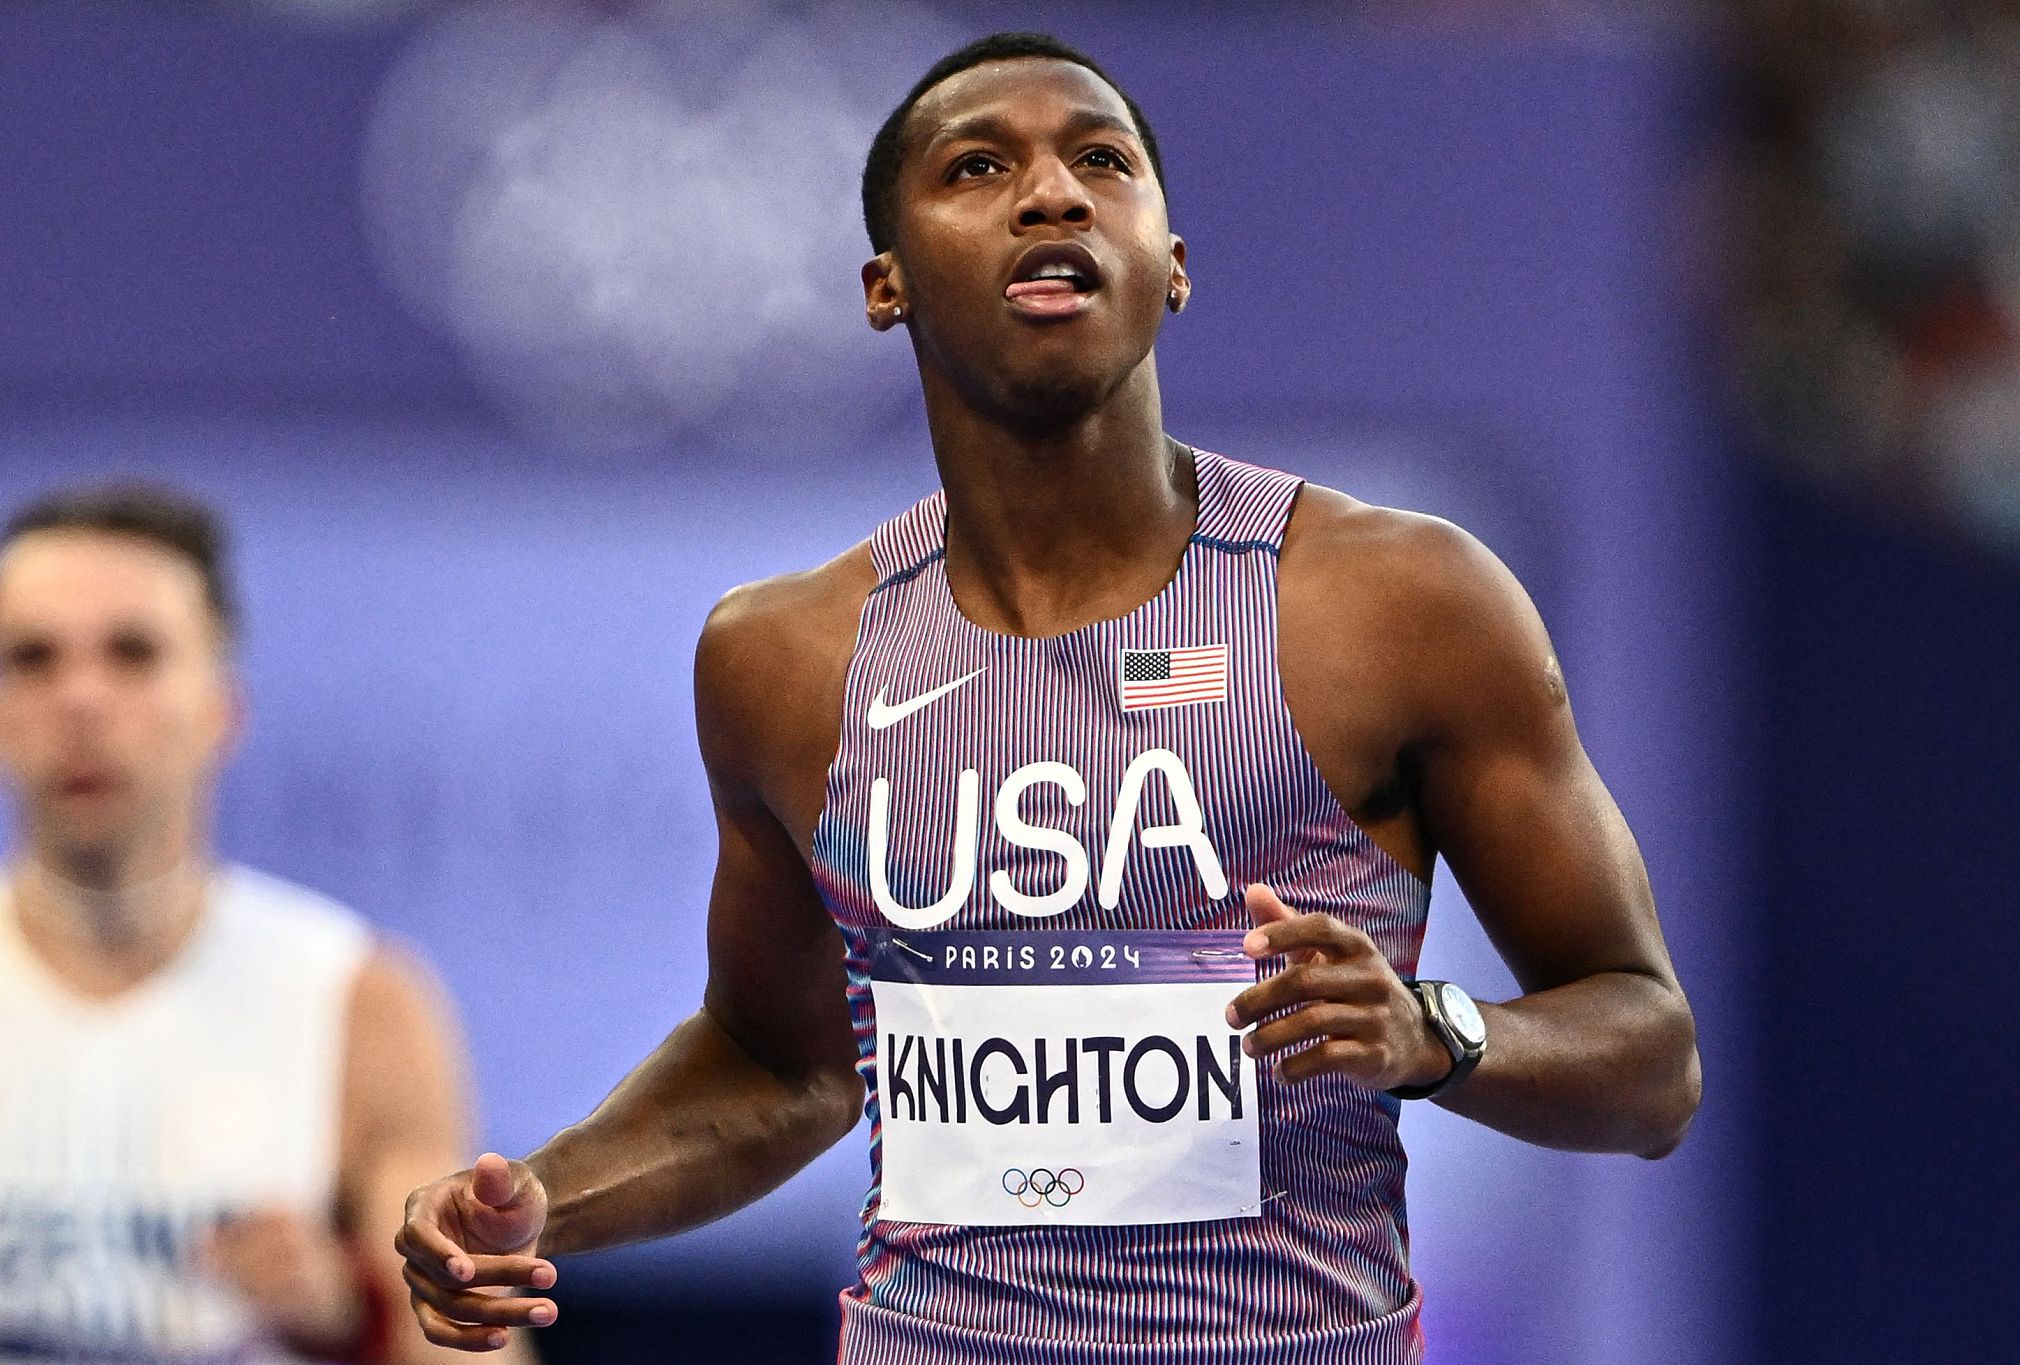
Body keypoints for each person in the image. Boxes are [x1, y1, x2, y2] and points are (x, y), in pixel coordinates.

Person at [397, 31, 1702, 1364]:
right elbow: (780, 1064)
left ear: (1174, 263)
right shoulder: (786, 659)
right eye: (979, 167)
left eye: (1101, 162)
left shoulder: (1395, 602)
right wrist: (542, 1199)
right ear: (884, 287)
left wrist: (1434, 1030)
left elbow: (1653, 1060)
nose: (1052, 195)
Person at [0, 485, 535, 1365]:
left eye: (132, 653)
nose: (82, 700)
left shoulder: (356, 999)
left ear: (222, 708)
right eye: (33, 659)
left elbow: (472, 1350)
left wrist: (350, 1309)